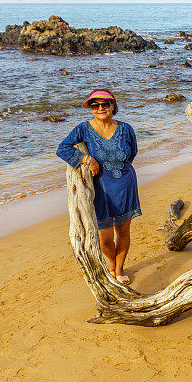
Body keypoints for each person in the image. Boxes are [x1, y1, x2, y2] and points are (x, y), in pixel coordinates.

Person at [56, 89, 141, 285]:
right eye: (95, 105)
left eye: (105, 104)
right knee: (104, 238)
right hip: (100, 190)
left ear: (113, 106)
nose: (100, 108)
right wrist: (86, 159)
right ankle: (111, 266)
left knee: (124, 232)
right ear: (91, 108)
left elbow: (133, 152)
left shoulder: (126, 128)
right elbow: (62, 148)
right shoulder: (83, 129)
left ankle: (119, 270)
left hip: (125, 185)